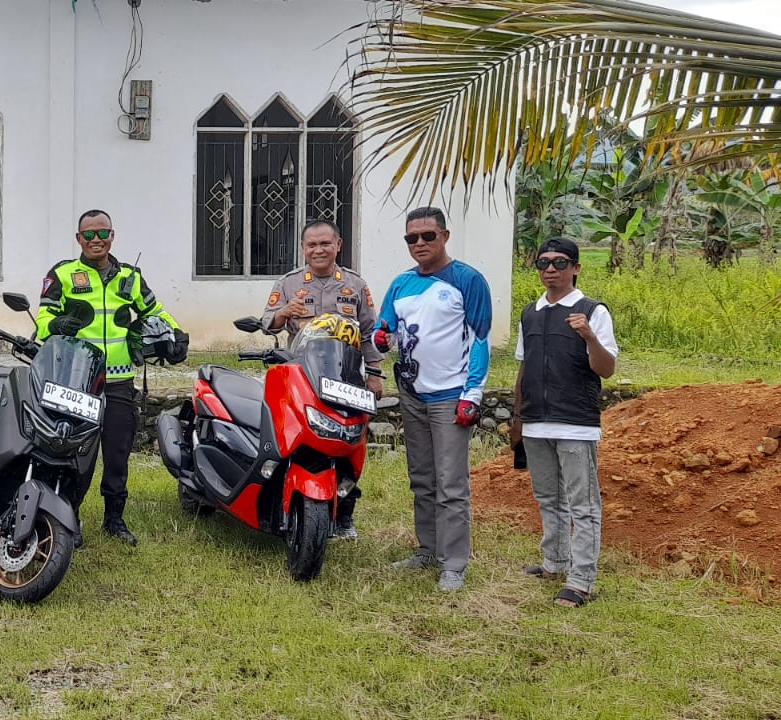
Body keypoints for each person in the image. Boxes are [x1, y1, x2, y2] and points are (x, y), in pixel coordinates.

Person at [35, 210, 186, 546]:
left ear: (112, 236)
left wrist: (176, 333)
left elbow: (155, 312)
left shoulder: (130, 277)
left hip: (119, 381)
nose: (96, 240)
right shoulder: (63, 274)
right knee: (73, 453)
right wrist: (55, 325)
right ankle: (68, 517)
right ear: (78, 239)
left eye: (102, 233)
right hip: (76, 379)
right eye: (88, 235)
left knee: (118, 453)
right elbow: (43, 319)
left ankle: (114, 519)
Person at [376, 206, 492, 593]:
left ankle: (454, 563)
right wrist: (382, 338)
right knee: (422, 478)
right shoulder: (401, 284)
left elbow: (480, 339)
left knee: (451, 483)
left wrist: (472, 394)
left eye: (428, 235)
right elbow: (386, 332)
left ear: (445, 236)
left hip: (451, 395)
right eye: (412, 238)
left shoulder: (467, 280)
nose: (420, 243)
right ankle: (428, 549)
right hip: (412, 393)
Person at [259, 220, 384, 540]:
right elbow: (268, 323)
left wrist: (374, 374)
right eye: (312, 245)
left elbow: (369, 332)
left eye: (325, 243)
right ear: (303, 248)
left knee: (349, 442)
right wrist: (285, 312)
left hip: (347, 376)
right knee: (296, 436)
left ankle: (344, 515)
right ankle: (286, 501)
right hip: (302, 376)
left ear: (338, 245)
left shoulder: (355, 285)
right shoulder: (289, 283)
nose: (319, 250)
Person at [511, 237, 617, 608]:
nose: (551, 269)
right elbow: (524, 367)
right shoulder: (530, 313)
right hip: (536, 422)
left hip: (575, 422)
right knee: (548, 497)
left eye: (559, 262)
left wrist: (589, 336)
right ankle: (555, 562)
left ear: (576, 268)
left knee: (582, 504)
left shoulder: (592, 311)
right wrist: (518, 417)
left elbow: (606, 368)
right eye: (543, 263)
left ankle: (581, 580)